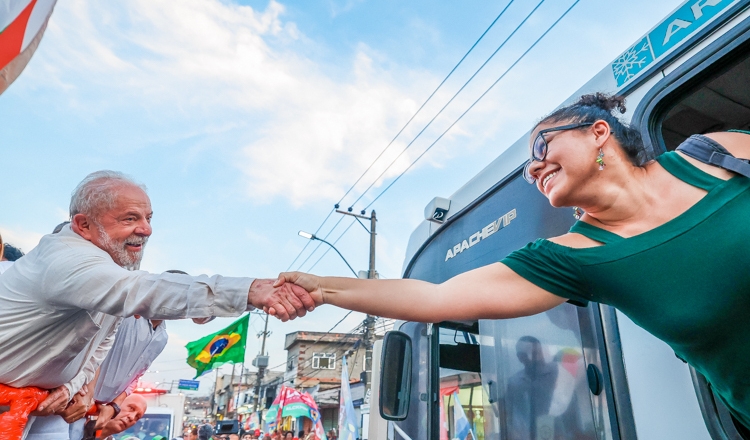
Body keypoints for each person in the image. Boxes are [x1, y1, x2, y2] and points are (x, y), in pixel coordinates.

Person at [276, 93, 750, 435]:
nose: (534, 169)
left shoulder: (718, 153)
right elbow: (434, 297)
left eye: (542, 147)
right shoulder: (570, 258)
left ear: (598, 132)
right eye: (529, 167)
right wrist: (322, 287)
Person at [0, 170, 316, 431]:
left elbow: (95, 352)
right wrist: (252, 291)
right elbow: (147, 291)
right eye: (130, 219)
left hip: (44, 407)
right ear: (83, 225)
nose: (147, 229)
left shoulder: (112, 276)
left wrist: (71, 388)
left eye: (148, 217)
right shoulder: (67, 260)